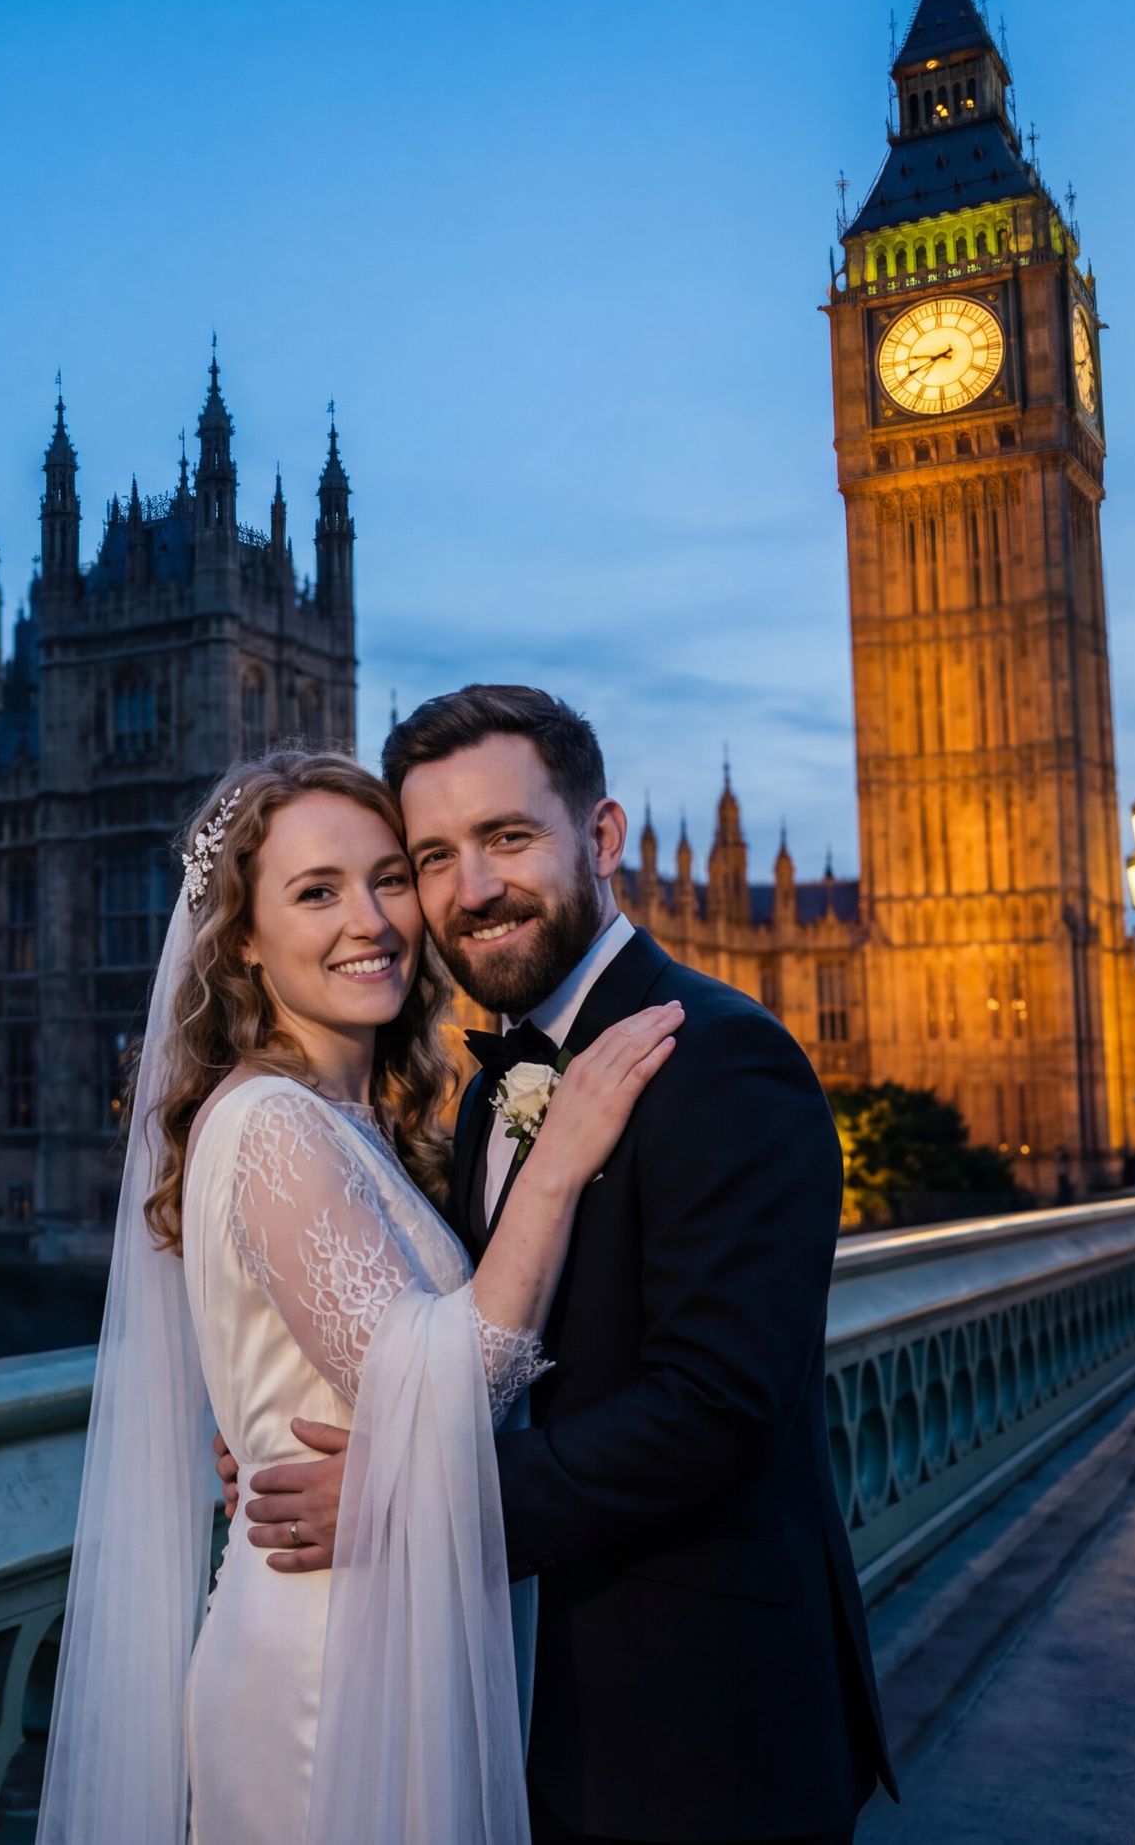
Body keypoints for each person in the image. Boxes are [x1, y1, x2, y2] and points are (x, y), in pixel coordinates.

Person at [236, 687, 894, 1844]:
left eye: (507, 838)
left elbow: (719, 1408)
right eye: (431, 857)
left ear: (602, 839)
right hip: (521, 1712)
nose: (468, 890)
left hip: (694, 1734)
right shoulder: (495, 1077)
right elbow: (475, 1332)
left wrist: (403, 1498)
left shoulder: (723, 1057)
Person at [36, 747, 684, 1844]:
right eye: (317, 891)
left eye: (391, 878)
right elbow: (461, 1382)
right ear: (241, 937)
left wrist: (291, 1428)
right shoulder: (270, 1122)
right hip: (321, 1663)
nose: (373, 920)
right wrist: (562, 1154)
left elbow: (363, 1368)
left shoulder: (352, 1119)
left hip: (384, 1621)